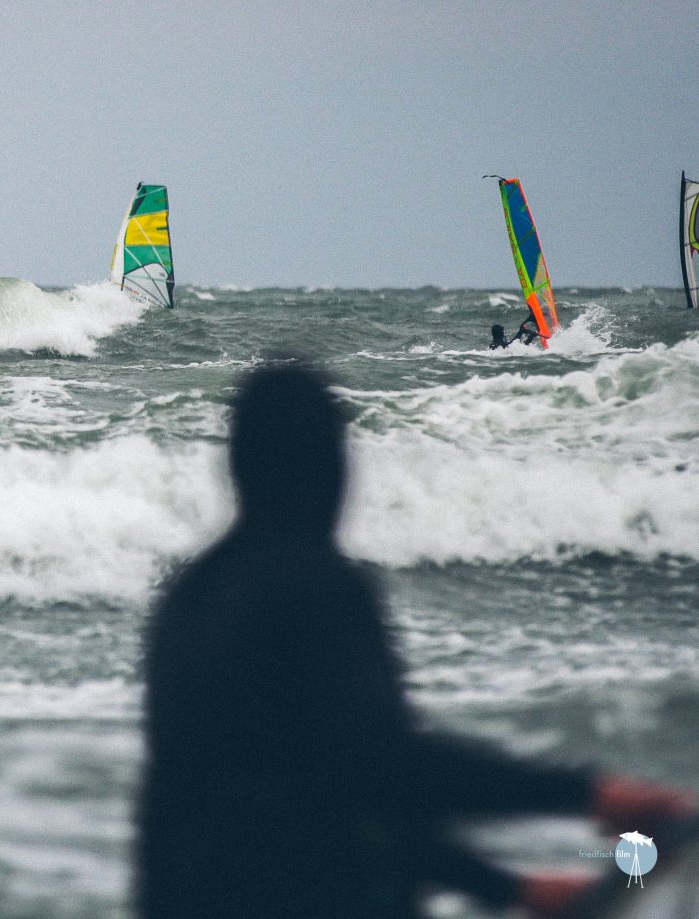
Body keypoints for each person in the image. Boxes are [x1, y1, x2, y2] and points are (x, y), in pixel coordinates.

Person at [135, 359, 693, 919]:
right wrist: (593, 795)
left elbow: (316, 794)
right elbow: (387, 764)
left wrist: (508, 889)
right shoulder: (317, 587)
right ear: (333, 469)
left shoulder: (189, 597)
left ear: (236, 465)